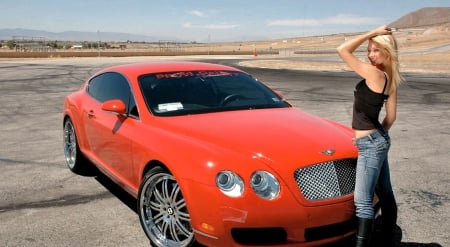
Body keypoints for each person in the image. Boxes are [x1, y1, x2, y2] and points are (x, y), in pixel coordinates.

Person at [337, 25, 404, 247]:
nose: (370, 54)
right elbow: (391, 118)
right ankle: (389, 240)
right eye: (369, 50)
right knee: (385, 192)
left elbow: (343, 50)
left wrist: (371, 31)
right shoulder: (390, 77)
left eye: (376, 50)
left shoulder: (374, 73)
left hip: (371, 143)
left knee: (363, 201)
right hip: (378, 140)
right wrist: (377, 138)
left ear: (387, 52)